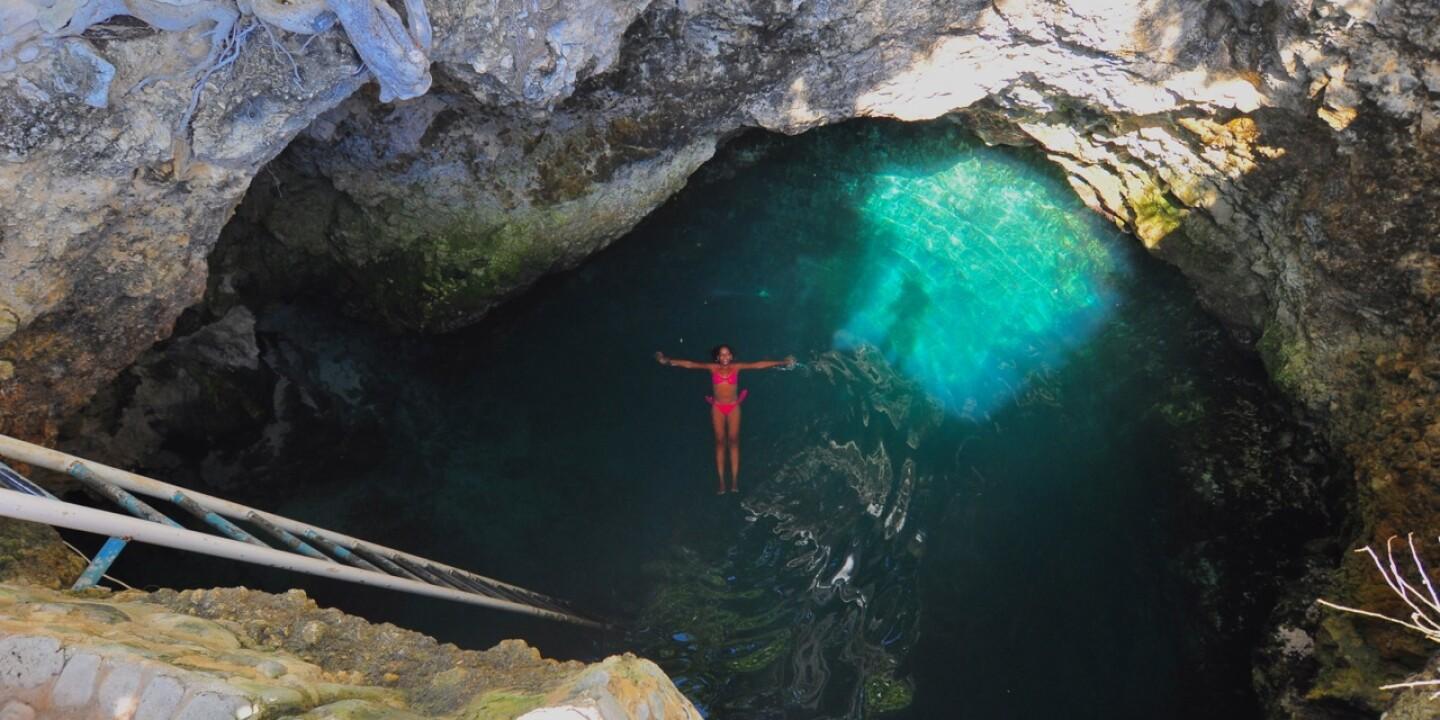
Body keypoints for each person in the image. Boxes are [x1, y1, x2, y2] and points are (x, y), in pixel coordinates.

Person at [655, 345, 796, 495]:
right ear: (717, 358)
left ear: (731, 356)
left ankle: (734, 480)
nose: (725, 357)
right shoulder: (713, 368)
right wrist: (667, 361)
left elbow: (757, 365)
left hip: (733, 407)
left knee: (734, 441)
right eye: (722, 355)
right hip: (717, 408)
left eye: (727, 354)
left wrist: (782, 362)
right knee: (720, 442)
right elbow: (691, 364)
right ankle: (721, 481)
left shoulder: (736, 368)